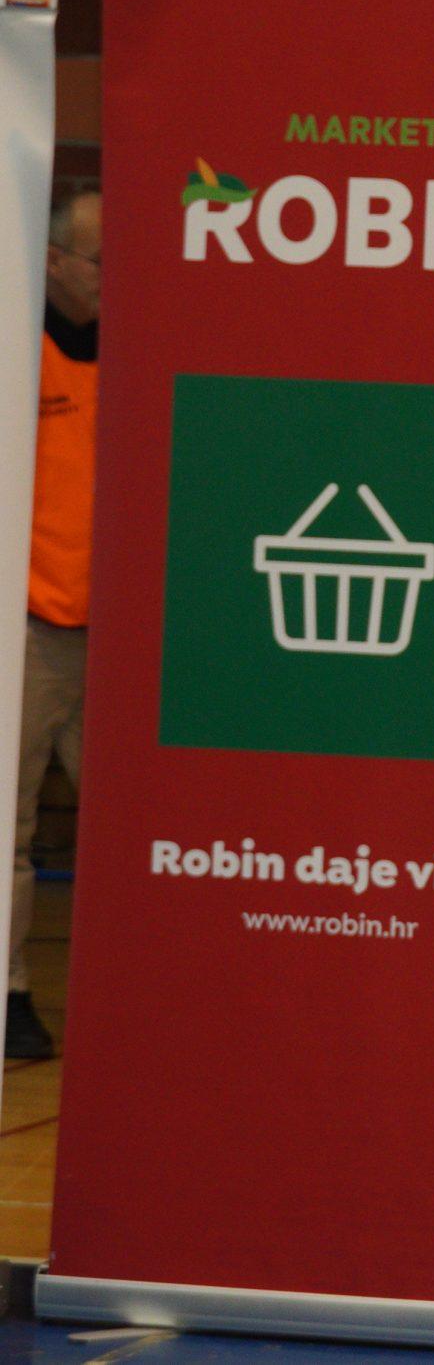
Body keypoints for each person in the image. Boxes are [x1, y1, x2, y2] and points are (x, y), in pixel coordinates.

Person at [12, 188, 99, 1061]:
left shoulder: (146, 351)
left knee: (140, 830)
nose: (116, 279)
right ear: (53, 260)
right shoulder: (16, 350)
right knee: (12, 828)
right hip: (29, 633)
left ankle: (132, 993)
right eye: (102, 261)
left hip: (118, 642)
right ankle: (10, 995)